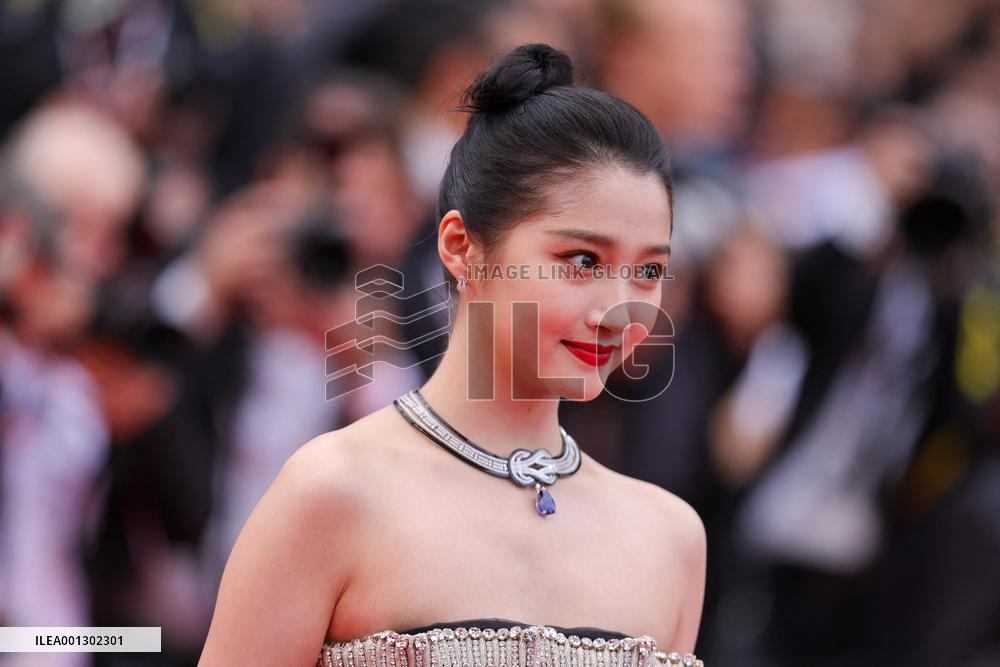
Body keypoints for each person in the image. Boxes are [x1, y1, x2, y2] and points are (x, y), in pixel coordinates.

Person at [198, 43, 707, 667]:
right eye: (581, 261)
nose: (619, 308)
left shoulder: (669, 538)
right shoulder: (332, 494)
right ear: (462, 246)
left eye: (649, 270)